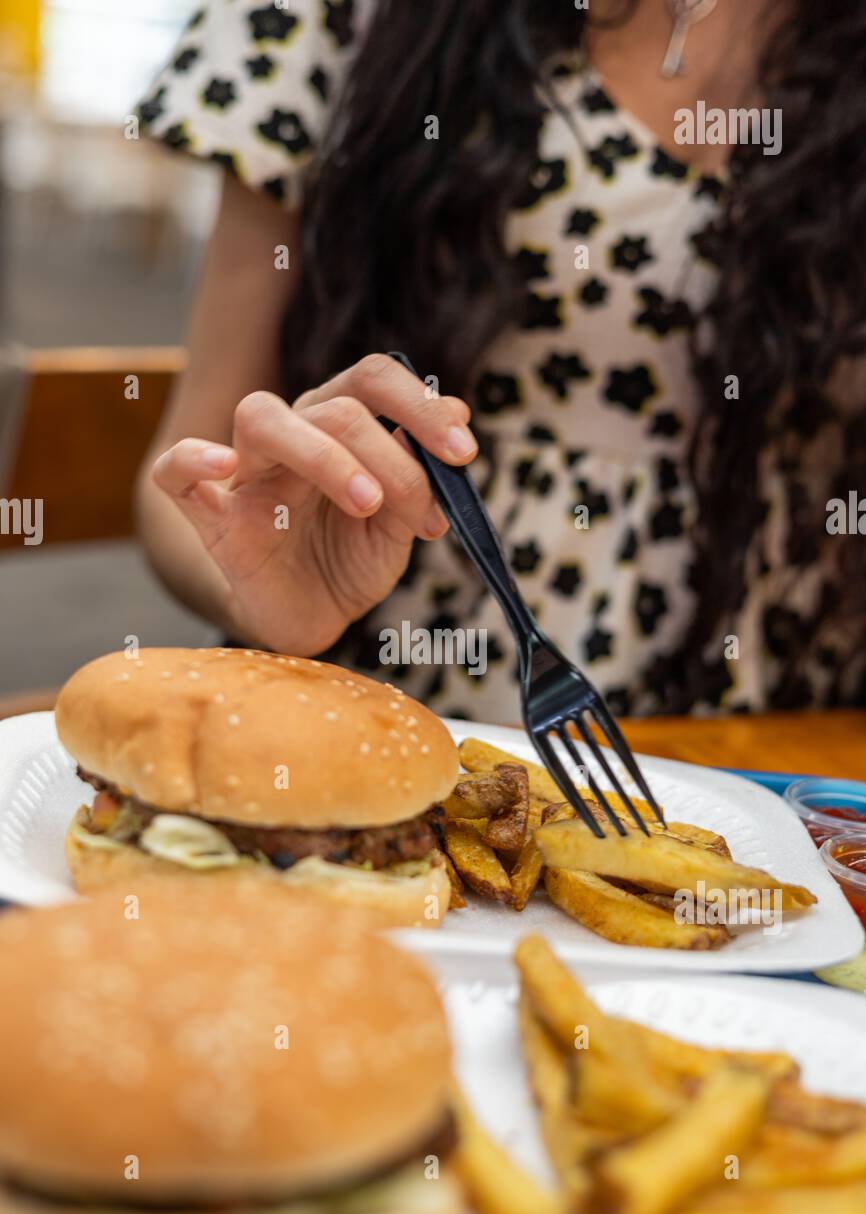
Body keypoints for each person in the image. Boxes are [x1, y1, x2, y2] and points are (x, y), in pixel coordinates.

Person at [135, 0, 866, 723]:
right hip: (408, 715)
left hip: (799, 756)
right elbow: (194, 464)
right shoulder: (337, 17)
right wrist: (264, 591)